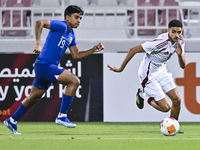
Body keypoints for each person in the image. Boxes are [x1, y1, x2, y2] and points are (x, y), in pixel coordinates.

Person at [4, 5, 104, 135]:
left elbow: (76, 55)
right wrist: (37, 43)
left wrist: (93, 50)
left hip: (44, 65)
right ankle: (62, 116)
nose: (79, 20)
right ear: (67, 17)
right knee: (74, 81)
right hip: (46, 65)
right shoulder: (61, 26)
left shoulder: (71, 34)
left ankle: (12, 120)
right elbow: (40, 23)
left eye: (80, 18)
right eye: (76, 17)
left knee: (34, 97)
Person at [108, 20, 185, 133]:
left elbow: (183, 66)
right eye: (173, 32)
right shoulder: (160, 43)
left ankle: (174, 126)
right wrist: (120, 68)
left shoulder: (181, 42)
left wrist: (179, 55)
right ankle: (143, 95)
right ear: (168, 31)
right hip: (148, 75)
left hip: (161, 70)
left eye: (179, 32)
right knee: (166, 108)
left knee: (177, 100)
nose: (176, 35)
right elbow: (133, 50)